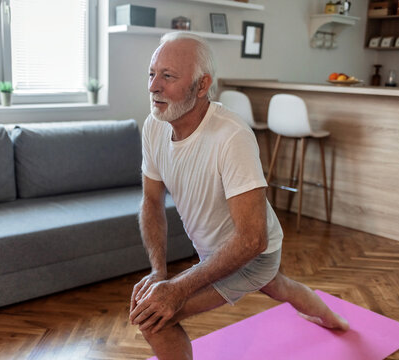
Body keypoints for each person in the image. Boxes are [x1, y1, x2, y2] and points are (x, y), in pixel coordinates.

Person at [129, 32, 349, 360]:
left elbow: (252, 240)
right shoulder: (154, 125)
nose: (153, 86)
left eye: (168, 76)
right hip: (219, 251)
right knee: (279, 287)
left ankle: (333, 319)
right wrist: (159, 273)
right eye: (152, 73)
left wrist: (177, 288)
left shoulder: (231, 137)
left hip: (253, 253)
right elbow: (151, 200)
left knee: (156, 319)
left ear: (202, 86)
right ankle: (333, 319)